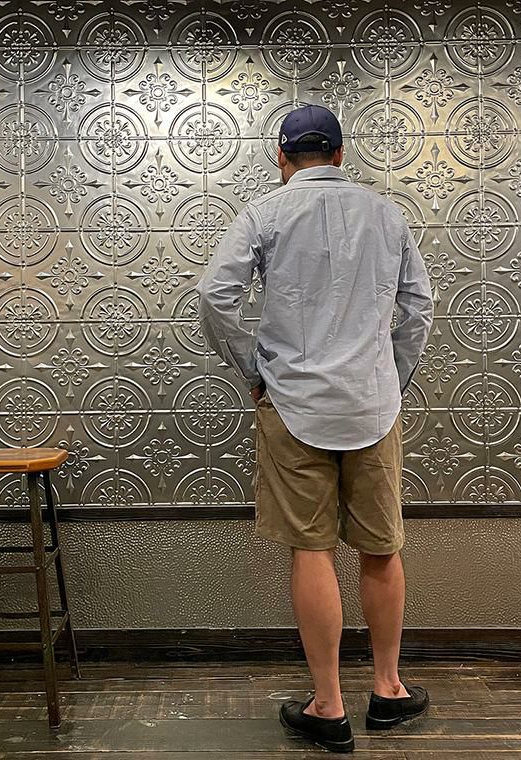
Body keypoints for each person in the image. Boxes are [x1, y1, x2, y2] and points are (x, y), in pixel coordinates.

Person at [196, 104, 434, 753]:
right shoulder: (386, 213)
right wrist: (391, 375)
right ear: (339, 153)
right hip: (371, 405)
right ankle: (387, 691)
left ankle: (328, 706)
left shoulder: (263, 214)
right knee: (380, 547)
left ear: (281, 157)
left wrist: (254, 368)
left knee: (312, 548)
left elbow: (213, 296)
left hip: (294, 404)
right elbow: (418, 306)